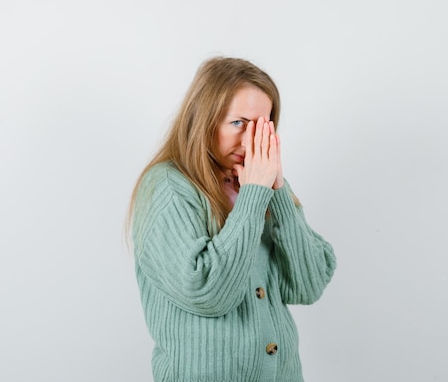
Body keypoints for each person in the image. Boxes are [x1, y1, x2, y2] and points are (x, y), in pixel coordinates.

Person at [128, 57, 336, 382]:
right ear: (203, 120)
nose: (249, 140)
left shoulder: (254, 183)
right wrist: (255, 193)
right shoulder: (167, 187)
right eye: (238, 122)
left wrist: (276, 189)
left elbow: (308, 285)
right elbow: (207, 293)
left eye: (261, 126)